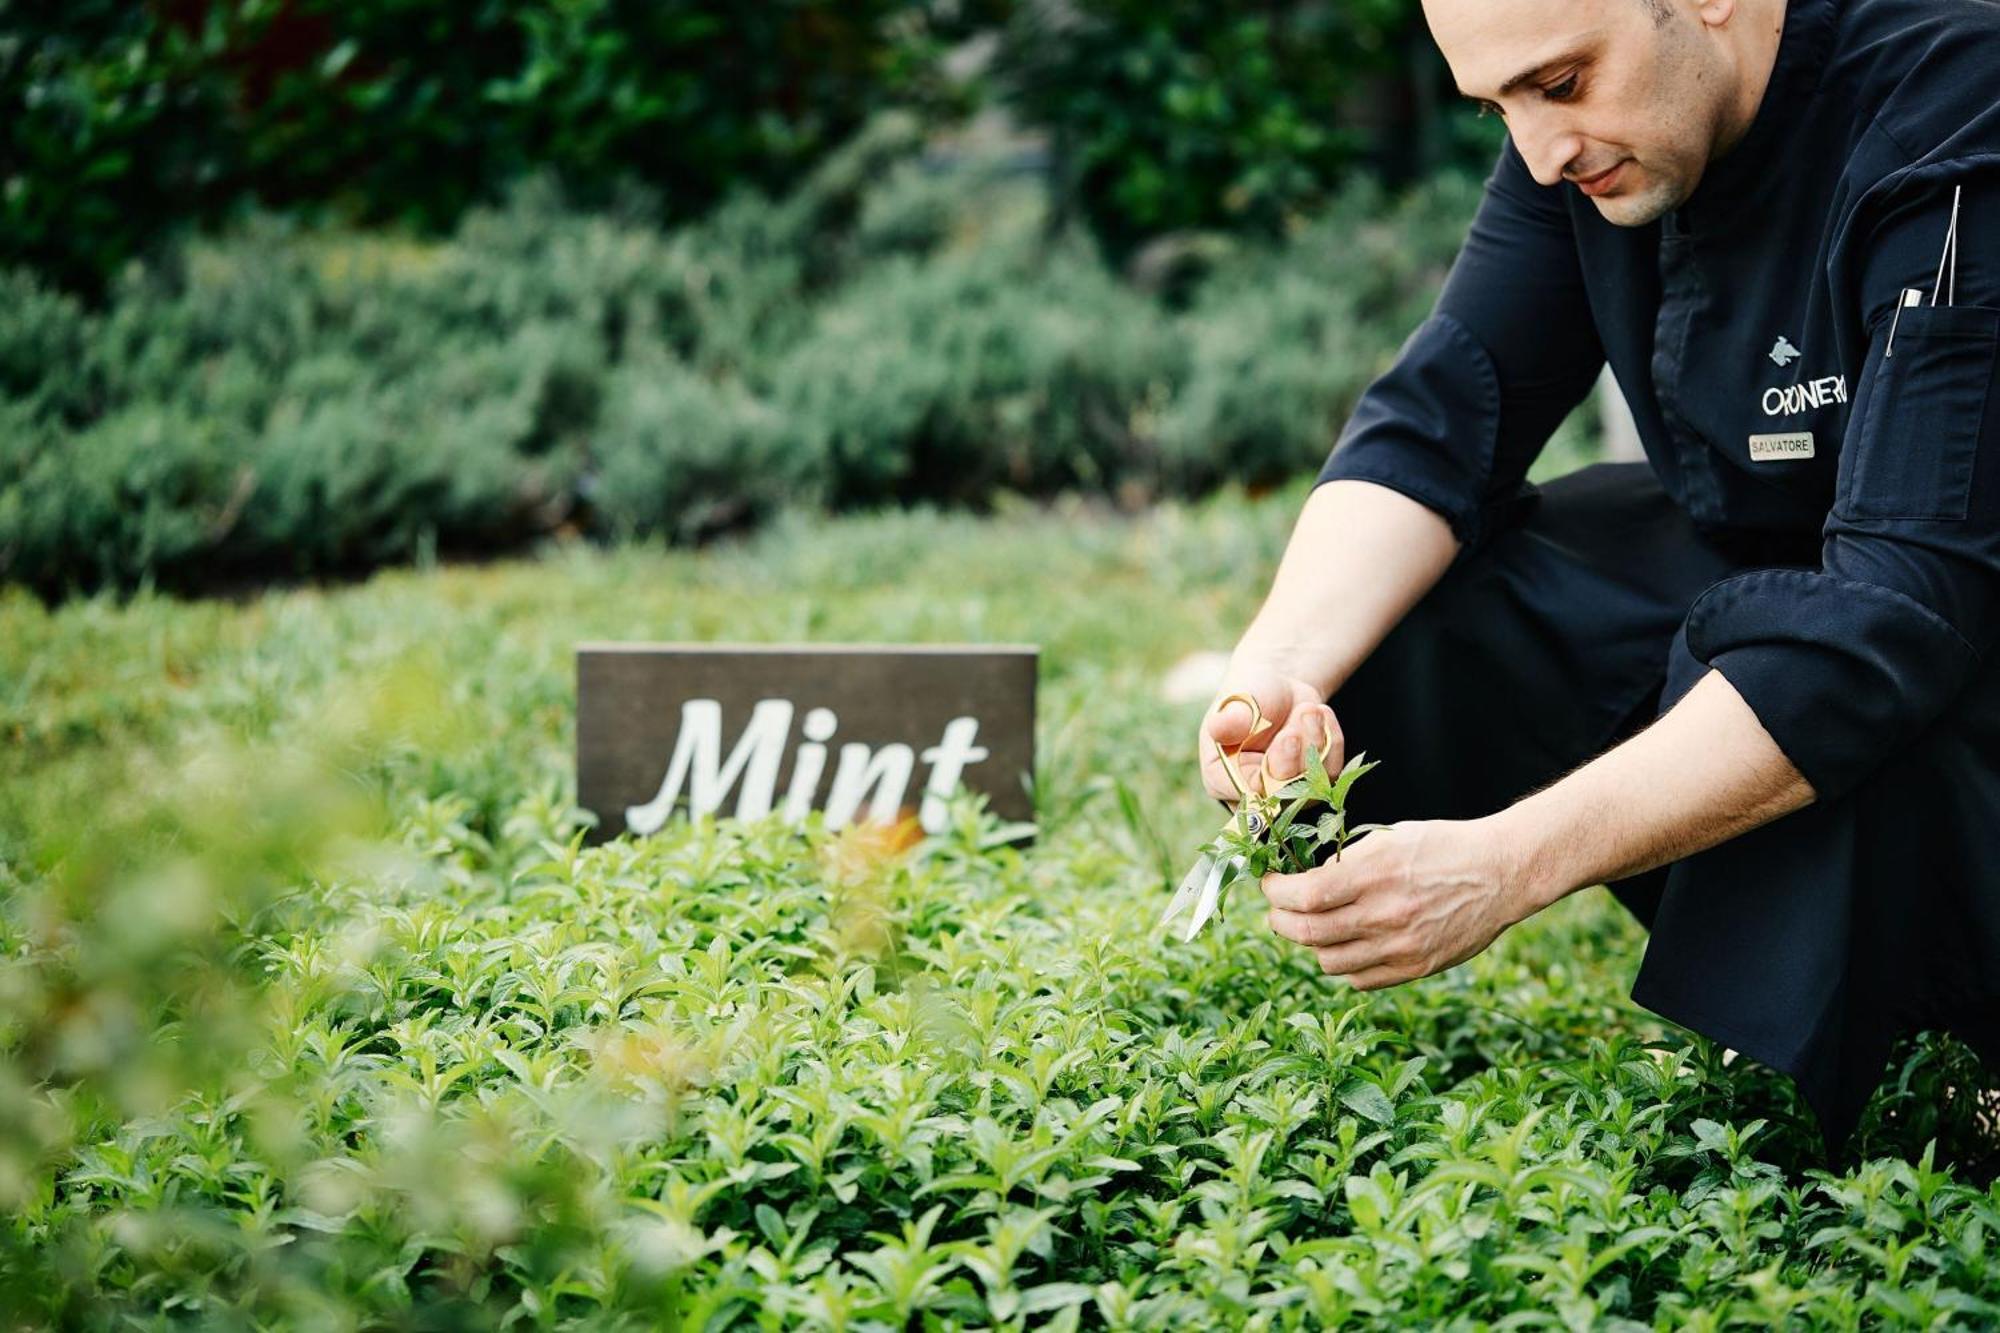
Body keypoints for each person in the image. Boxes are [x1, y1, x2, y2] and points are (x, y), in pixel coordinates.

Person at [1196, 0, 2000, 1158]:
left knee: (1824, 640)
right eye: (1498, 105)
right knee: (1442, 600)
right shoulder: (1590, 146)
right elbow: (1441, 413)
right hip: (1812, 587)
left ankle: (1943, 1053)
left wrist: (1508, 862)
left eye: (1560, 84)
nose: (1536, 151)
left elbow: (1903, 602)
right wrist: (1272, 673)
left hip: (1950, 621)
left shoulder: (1954, 106)